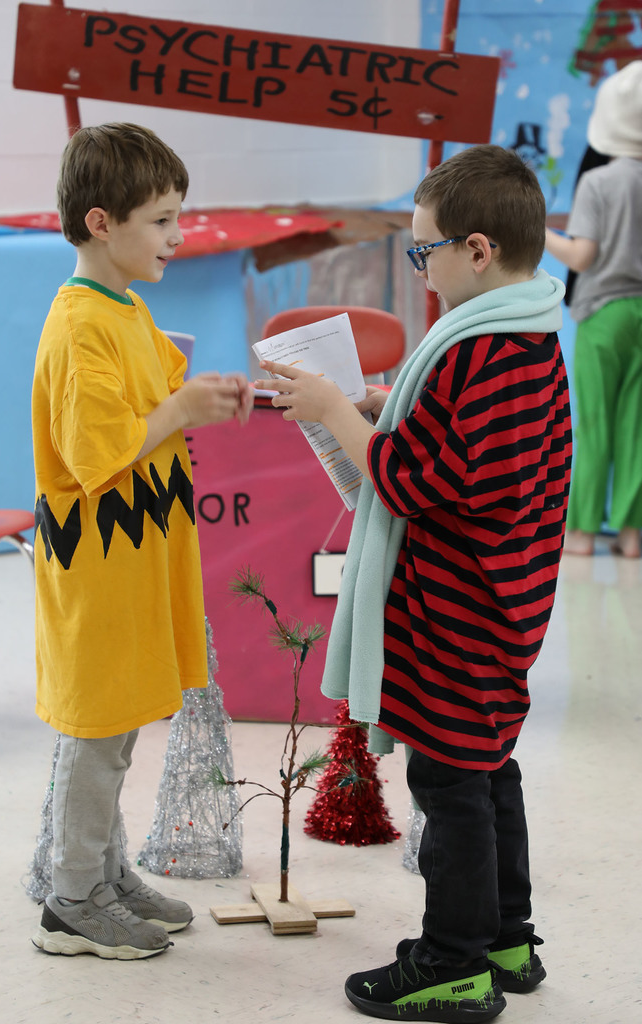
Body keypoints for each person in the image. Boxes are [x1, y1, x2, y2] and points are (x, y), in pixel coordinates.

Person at [255, 144, 572, 1023]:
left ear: (476, 249)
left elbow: (422, 485)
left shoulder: (491, 351)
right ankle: (506, 936)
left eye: (422, 251)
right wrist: (382, 407)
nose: (419, 270)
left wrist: (332, 416)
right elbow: (455, 446)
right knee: (484, 770)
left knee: (449, 785)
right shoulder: (516, 331)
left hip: (463, 612)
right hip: (489, 605)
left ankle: (454, 963)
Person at [31, 122, 253, 960]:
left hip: (137, 564)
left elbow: (164, 391)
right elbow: (99, 451)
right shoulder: (79, 324)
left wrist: (211, 394)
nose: (177, 235)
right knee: (95, 736)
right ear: (101, 222)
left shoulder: (124, 309)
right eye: (161, 220)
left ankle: (105, 869)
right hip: (98, 572)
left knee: (118, 727)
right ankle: (71, 898)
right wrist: (183, 409)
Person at [545, 60, 642, 558]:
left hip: (603, 314)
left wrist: (540, 233)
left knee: (596, 422)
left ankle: (581, 533)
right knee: (635, 426)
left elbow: (582, 256)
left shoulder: (599, 183)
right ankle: (630, 535)